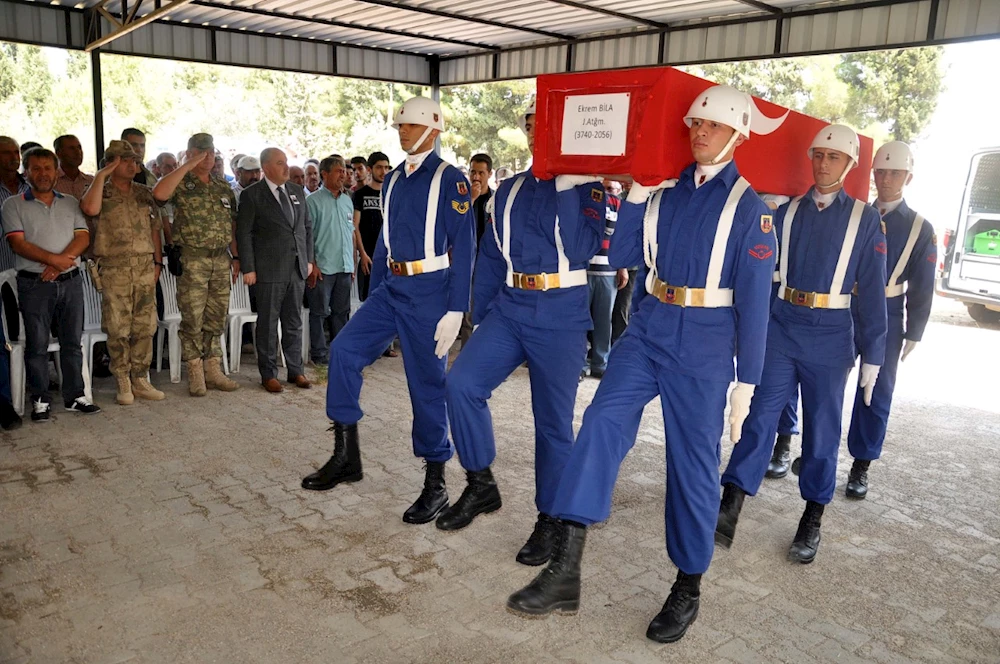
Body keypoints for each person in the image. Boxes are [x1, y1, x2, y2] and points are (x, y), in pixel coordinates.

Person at [506, 85, 776, 644]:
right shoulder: (666, 191)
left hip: (704, 343)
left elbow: (755, 304)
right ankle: (567, 569)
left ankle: (688, 583)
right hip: (649, 328)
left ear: (738, 135)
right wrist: (635, 197)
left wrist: (746, 381)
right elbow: (622, 255)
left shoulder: (751, 209)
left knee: (694, 465)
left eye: (713, 126)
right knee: (600, 424)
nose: (700, 132)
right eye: (696, 124)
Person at [435, 103, 605, 567]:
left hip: (562, 313)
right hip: (510, 308)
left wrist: (569, 185)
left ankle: (550, 518)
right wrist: (478, 317)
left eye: (544, 126)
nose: (536, 134)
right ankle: (481, 484)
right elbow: (491, 257)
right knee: (461, 384)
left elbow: (585, 247)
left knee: (552, 424)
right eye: (531, 127)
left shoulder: (587, 187)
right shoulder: (506, 191)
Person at [717, 124, 887, 565]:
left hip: (832, 335)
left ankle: (813, 515)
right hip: (783, 325)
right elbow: (763, 275)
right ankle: (731, 503)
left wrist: (875, 353)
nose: (823, 163)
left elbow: (870, 291)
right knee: (758, 417)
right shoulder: (786, 211)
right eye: (818, 155)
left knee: (822, 431)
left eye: (833, 157)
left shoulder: (866, 219)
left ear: (849, 165)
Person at [301, 97, 474, 526]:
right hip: (391, 289)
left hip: (431, 292)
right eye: (400, 126)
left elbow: (466, 247)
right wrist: (374, 296)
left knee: (426, 386)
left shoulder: (450, 180)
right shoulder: (393, 179)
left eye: (412, 126)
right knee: (343, 353)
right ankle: (346, 455)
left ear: (433, 131)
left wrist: (456, 310)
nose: (403, 132)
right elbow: (384, 245)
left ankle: (436, 483)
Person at [842, 141, 934, 498]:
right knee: (827, 378)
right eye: (880, 171)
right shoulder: (855, 214)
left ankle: (861, 465)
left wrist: (915, 331)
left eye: (895, 172)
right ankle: (808, 450)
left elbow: (923, 285)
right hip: (845, 306)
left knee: (876, 389)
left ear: (908, 177)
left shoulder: (919, 227)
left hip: (889, 312)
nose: (886, 179)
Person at [2, 147, 102, 421]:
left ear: (55, 171)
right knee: (37, 345)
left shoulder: (70, 202)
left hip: (70, 282)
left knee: (72, 342)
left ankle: (75, 397)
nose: (43, 174)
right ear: (26, 171)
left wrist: (59, 265)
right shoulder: (13, 204)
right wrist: (56, 262)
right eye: (36, 168)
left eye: (48, 168)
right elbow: (18, 243)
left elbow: (83, 237)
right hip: (34, 285)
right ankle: (40, 401)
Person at [152, 133, 240, 396]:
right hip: (193, 259)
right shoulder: (180, 182)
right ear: (189, 153)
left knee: (216, 317)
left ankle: (212, 369)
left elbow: (231, 225)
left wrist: (235, 257)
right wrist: (187, 166)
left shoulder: (222, 186)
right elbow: (158, 194)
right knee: (192, 317)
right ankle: (195, 371)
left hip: (220, 258)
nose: (208, 156)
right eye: (201, 152)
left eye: (211, 152)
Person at [80, 140, 165, 405]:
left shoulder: (143, 192)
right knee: (118, 327)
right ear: (111, 162)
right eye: (126, 160)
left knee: (145, 325)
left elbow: (155, 229)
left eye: (136, 160)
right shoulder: (98, 191)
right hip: (115, 268)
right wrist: (102, 175)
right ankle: (122, 379)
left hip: (143, 266)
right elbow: (90, 210)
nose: (133, 165)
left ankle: (140, 377)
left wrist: (157, 263)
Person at [236, 148, 314, 393]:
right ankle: (268, 374)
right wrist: (248, 267)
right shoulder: (252, 195)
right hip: (268, 270)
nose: (286, 167)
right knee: (268, 324)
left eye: (286, 162)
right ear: (266, 167)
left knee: (293, 323)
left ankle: (296, 371)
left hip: (296, 268)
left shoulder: (297, 191)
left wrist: (309, 259)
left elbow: (306, 228)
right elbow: (244, 233)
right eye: (280, 163)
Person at [305, 155, 354, 365]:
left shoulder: (346, 200)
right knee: (319, 313)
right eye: (338, 171)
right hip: (322, 268)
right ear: (324, 174)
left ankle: (339, 352)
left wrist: (351, 263)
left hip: (344, 266)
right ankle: (319, 355)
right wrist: (312, 264)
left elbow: (350, 232)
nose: (343, 174)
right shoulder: (312, 201)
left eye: (344, 171)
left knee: (341, 312)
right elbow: (306, 236)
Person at [583, 181, 625, 378]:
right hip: (583, 270)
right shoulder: (588, 202)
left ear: (619, 191)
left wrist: (622, 267)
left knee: (603, 321)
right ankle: (579, 364)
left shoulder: (619, 206)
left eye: (610, 189)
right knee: (581, 321)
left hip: (608, 271)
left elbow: (622, 237)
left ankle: (601, 363)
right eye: (604, 187)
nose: (606, 193)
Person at [458, 153, 494, 348]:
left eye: (481, 172)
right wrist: (471, 199)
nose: (476, 177)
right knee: (468, 315)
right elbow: (455, 225)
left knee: (490, 313)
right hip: (468, 262)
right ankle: (467, 357)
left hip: (491, 264)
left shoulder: (497, 199)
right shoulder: (462, 198)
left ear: (489, 173)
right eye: (473, 172)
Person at [351, 151, 390, 303]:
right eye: (379, 167)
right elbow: (355, 226)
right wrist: (363, 253)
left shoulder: (390, 193)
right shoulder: (360, 194)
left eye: (386, 168)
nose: (383, 172)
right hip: (369, 256)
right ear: (369, 169)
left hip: (388, 257)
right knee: (369, 299)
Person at [1, 136, 31, 272]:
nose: (13, 157)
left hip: (31, 270)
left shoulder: (30, 187)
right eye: (6, 153)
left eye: (16, 152)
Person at [53, 135, 94, 200]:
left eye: (79, 148)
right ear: (59, 153)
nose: (78, 152)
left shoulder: (91, 181)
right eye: (71, 148)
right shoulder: (51, 182)